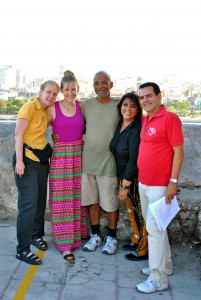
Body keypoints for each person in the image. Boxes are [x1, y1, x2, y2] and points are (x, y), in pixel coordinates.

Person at [136, 82, 184, 293]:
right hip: (144, 182)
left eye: (149, 96)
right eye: (142, 97)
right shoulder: (145, 118)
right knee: (156, 227)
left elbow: (179, 152)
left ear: (159, 96)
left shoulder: (170, 118)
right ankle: (166, 265)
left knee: (154, 230)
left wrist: (172, 183)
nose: (145, 100)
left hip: (160, 185)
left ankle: (159, 279)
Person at [13, 80, 60, 265]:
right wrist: (19, 161)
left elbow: (42, 130)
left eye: (55, 94)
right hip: (26, 161)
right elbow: (18, 135)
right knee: (28, 205)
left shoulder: (46, 110)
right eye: (48, 92)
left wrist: (55, 135)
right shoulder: (29, 107)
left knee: (41, 200)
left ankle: (35, 235)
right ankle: (22, 249)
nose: (51, 96)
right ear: (40, 91)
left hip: (41, 160)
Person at [47, 71, 88, 262]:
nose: (70, 93)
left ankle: (77, 237)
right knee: (61, 201)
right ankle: (65, 246)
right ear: (61, 91)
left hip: (78, 157)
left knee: (76, 199)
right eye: (67, 89)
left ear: (77, 89)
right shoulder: (53, 108)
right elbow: (38, 128)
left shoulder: (82, 107)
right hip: (60, 158)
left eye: (73, 89)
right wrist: (52, 138)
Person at [81, 71, 120, 255]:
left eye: (104, 83)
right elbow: (75, 125)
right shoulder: (86, 105)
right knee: (92, 202)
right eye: (96, 83)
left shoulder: (120, 106)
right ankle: (95, 235)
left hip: (109, 163)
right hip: (88, 163)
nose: (100, 86)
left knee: (111, 203)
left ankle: (112, 237)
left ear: (111, 85)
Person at [110, 92, 148, 261]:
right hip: (123, 175)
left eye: (133, 106)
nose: (128, 109)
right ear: (120, 107)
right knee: (132, 212)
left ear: (138, 110)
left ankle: (143, 250)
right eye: (125, 105)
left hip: (133, 178)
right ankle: (136, 239)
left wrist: (125, 185)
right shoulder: (121, 124)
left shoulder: (136, 128)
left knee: (140, 214)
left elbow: (134, 159)